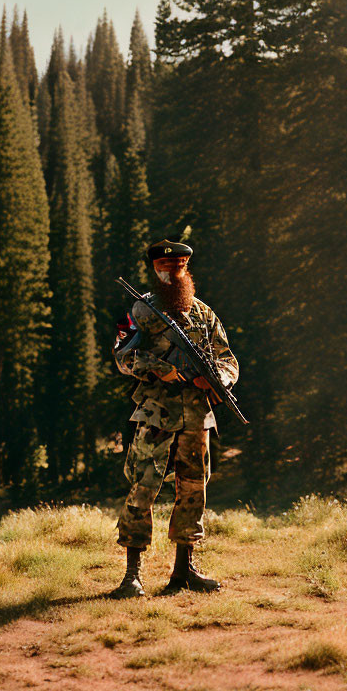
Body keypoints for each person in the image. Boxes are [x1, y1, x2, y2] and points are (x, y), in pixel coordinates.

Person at [110, 238, 239, 598]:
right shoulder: (140, 312)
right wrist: (167, 371)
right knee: (143, 488)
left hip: (197, 417)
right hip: (155, 414)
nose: (171, 273)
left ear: (186, 270)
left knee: (193, 489)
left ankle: (184, 571)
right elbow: (123, 357)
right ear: (154, 270)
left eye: (177, 267)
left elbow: (228, 359)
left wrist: (218, 378)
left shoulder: (204, 314)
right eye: (164, 268)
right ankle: (132, 575)